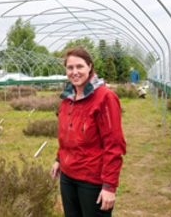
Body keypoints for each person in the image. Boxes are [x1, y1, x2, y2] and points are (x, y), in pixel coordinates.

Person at [51, 46, 126, 217]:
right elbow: (67, 136)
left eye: (80, 67)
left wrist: (109, 186)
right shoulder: (67, 99)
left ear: (90, 67)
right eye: (70, 68)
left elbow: (114, 145)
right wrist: (59, 159)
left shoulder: (105, 98)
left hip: (92, 180)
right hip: (68, 178)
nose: (74, 72)